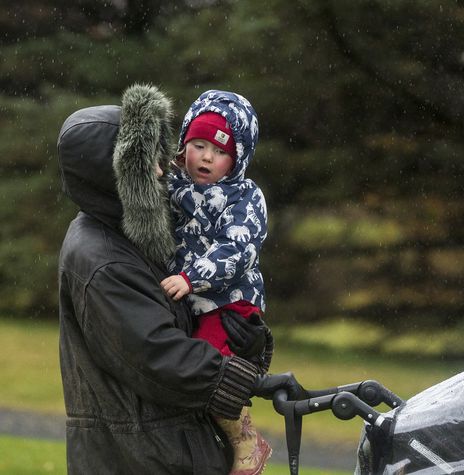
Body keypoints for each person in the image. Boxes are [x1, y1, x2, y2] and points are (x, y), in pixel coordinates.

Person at [57, 83, 303, 474]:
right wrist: (246, 379)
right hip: (138, 458)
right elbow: (157, 356)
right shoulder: (101, 258)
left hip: (169, 449)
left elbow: (192, 315)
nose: (160, 170)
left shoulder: (142, 232)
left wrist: (247, 338)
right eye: (144, 164)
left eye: (159, 156)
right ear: (111, 174)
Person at [159, 90, 272, 475]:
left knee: (209, 371)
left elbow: (238, 249)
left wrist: (191, 278)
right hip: (191, 297)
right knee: (192, 372)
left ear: (237, 159)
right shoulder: (176, 186)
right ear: (183, 145)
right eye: (198, 144)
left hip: (230, 300)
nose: (206, 157)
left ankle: (246, 440)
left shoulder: (243, 196)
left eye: (220, 151)